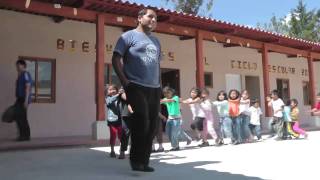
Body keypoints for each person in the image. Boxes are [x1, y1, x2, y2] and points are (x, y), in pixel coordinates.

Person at [112, 8, 161, 172]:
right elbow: (116, 59)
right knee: (142, 121)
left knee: (153, 125)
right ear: (140, 18)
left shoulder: (156, 41)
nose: (154, 20)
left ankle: (144, 161)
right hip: (135, 85)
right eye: (150, 16)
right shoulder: (128, 36)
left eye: (156, 18)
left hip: (154, 88)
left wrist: (159, 85)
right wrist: (125, 82)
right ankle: (135, 160)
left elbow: (156, 65)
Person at [14, 59, 32, 141]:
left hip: (23, 99)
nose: (17, 67)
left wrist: (26, 100)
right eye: (16, 66)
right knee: (19, 116)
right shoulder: (20, 75)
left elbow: (28, 87)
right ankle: (23, 135)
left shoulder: (26, 74)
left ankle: (25, 136)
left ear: (23, 65)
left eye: (18, 65)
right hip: (19, 98)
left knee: (22, 117)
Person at [105, 85, 122, 158]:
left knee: (121, 136)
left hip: (120, 119)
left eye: (113, 89)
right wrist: (118, 94)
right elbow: (110, 102)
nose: (112, 91)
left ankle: (122, 150)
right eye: (110, 90)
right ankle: (112, 150)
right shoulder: (108, 98)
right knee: (113, 135)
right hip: (112, 120)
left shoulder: (119, 98)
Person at [118, 88, 133, 159]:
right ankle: (122, 151)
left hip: (136, 115)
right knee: (125, 133)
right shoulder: (122, 93)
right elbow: (126, 97)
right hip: (126, 115)